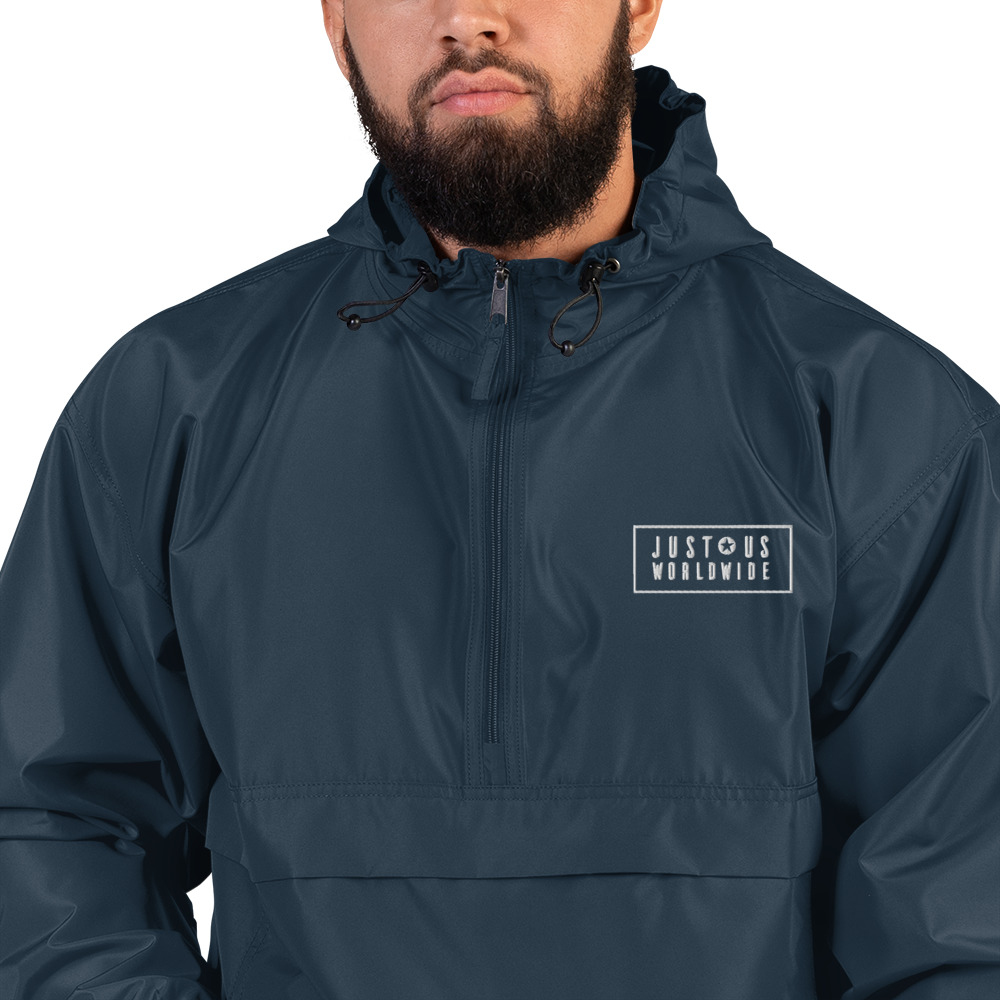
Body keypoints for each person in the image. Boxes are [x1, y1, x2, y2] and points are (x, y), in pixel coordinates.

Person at [1, 1, 997, 997]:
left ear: (640, 6)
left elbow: (964, 917)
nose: (467, 18)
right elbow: (51, 828)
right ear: (337, 23)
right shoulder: (174, 404)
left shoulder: (884, 424)